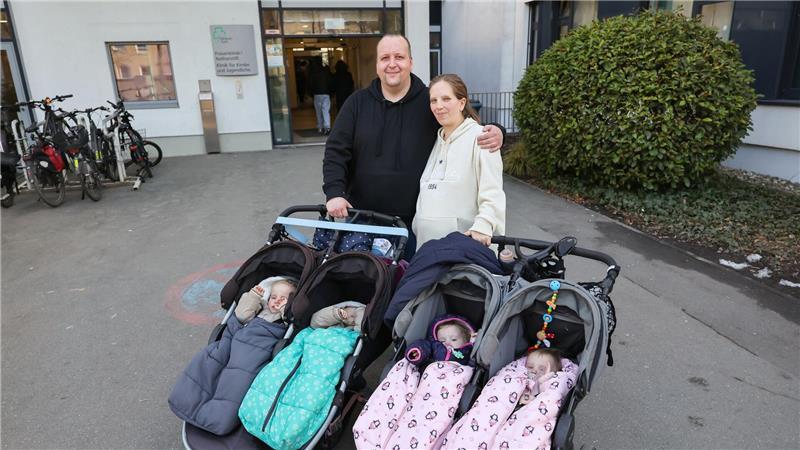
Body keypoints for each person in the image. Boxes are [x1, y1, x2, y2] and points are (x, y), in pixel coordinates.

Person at [323, 34, 504, 258]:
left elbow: (459, 125)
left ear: (410, 62)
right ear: (377, 65)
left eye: (399, 57)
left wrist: (497, 129)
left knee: (408, 286)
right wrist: (334, 193)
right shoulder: (356, 103)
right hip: (363, 220)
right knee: (364, 284)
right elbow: (335, 152)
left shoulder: (428, 101)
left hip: (413, 225)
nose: (392, 64)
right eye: (385, 58)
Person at [413, 74, 505, 249]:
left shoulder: (482, 138)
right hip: (427, 251)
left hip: (464, 252)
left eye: (446, 99)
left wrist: (483, 226)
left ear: (462, 103)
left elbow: (493, 192)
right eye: (434, 100)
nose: (438, 106)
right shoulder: (437, 141)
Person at [405, 314, 476, 366]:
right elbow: (423, 346)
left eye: (454, 339)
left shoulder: (467, 352)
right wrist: (418, 351)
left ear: (466, 339)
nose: (447, 343)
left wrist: (474, 341)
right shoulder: (434, 347)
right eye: (442, 341)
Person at [309, 59, 333, 135]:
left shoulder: (313, 72)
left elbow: (311, 84)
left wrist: (311, 93)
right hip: (326, 94)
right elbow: (330, 82)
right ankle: (327, 127)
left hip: (317, 94)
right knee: (325, 111)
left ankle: (320, 127)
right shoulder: (326, 71)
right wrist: (331, 93)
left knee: (318, 112)